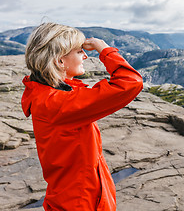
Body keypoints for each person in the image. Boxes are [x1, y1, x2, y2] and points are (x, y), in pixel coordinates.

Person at [21, 22, 143, 210]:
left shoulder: (45, 94)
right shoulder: (58, 103)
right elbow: (130, 83)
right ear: (60, 61)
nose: (85, 55)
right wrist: (105, 50)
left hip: (73, 197)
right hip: (82, 202)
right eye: (79, 51)